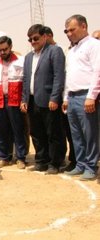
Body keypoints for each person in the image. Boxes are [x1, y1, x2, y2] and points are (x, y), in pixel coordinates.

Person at [21, 24, 66, 174]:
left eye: (36, 38)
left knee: (53, 133)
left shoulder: (54, 51)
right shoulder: (28, 57)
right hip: (33, 100)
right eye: (30, 39)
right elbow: (26, 80)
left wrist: (54, 97)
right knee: (36, 132)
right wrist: (24, 99)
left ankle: (55, 163)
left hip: (49, 100)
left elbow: (58, 77)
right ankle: (41, 161)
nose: (33, 41)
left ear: (45, 36)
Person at [63, 14, 100, 181]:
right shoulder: (72, 50)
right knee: (76, 134)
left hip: (86, 95)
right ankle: (80, 164)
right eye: (66, 31)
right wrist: (66, 97)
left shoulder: (94, 45)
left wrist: (91, 96)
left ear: (84, 26)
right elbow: (69, 75)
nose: (69, 33)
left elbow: (97, 72)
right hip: (72, 96)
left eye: (72, 29)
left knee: (90, 133)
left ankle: (91, 166)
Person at [0, 35, 27, 169]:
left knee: (18, 130)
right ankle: (4, 157)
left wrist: (24, 100)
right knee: (1, 130)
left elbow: (25, 82)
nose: (2, 52)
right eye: (0, 50)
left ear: (10, 47)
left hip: (15, 100)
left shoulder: (21, 61)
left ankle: (20, 158)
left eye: (5, 49)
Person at [44, 26, 76, 172]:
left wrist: (59, 97)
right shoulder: (43, 53)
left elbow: (61, 76)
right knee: (62, 131)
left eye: (41, 37)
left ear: (49, 36)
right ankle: (68, 159)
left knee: (70, 132)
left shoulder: (61, 51)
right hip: (62, 98)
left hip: (64, 96)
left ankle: (75, 160)